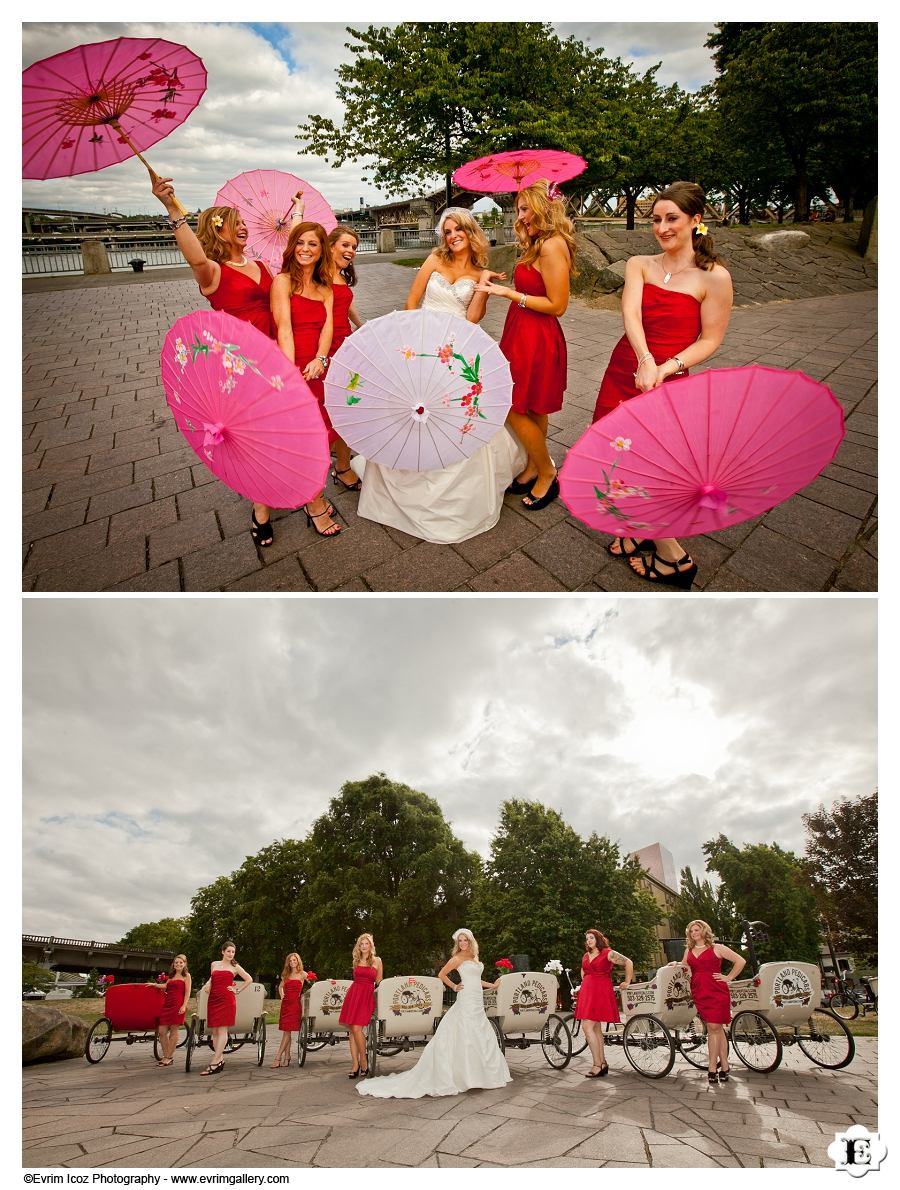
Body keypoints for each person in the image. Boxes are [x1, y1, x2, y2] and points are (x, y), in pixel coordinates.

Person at [594, 181, 733, 589]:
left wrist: (665, 367)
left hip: (670, 379)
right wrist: (643, 360)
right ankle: (635, 528)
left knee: (651, 466)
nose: (662, 227)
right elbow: (630, 314)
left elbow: (710, 340)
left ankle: (675, 557)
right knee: (615, 455)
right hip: (628, 367)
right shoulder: (639, 263)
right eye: (656, 219)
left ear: (696, 221)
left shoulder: (715, 278)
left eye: (672, 218)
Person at [354, 208, 525, 543]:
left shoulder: (478, 271)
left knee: (458, 416)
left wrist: (484, 285)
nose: (452, 236)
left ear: (470, 231)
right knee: (415, 411)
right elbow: (411, 303)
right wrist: (407, 346)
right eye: (447, 231)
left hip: (457, 348)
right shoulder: (434, 259)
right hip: (422, 342)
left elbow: (473, 318)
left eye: (457, 229)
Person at [150, 176, 280, 548]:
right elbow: (193, 254)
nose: (243, 227)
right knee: (255, 438)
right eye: (235, 222)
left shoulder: (261, 265)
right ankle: (261, 509)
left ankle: (275, 489)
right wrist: (173, 208)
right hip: (238, 366)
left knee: (274, 430)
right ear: (217, 230)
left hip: (272, 357)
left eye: (243, 222)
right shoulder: (213, 272)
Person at [476, 180, 576, 512]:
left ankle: (547, 470)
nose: (519, 216)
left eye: (523, 208)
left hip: (537, 334)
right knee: (531, 405)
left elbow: (558, 304)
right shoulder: (536, 242)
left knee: (510, 404)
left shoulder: (552, 245)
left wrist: (511, 295)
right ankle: (534, 466)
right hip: (521, 329)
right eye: (518, 209)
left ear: (541, 207)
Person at [357, 927, 511, 1099]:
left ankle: (481, 1074)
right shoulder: (457, 958)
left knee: (480, 1031)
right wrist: (453, 986)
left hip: (477, 999)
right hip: (466, 997)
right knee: (466, 1032)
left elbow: (476, 979)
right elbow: (442, 974)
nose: (462, 943)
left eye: (465, 940)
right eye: (459, 941)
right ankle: (465, 1076)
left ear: (470, 940)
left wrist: (492, 985)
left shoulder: (474, 957)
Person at [271, 222, 342, 538]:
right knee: (304, 439)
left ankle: (314, 491)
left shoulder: (326, 288)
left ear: (321, 250)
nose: (305, 249)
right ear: (292, 247)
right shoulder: (282, 282)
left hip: (317, 367)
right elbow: (283, 329)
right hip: (291, 368)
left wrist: (321, 359)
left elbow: (327, 329)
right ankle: (314, 504)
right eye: (300, 242)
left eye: (313, 244)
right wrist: (290, 377)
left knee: (321, 437)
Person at [677, 920, 745, 1084]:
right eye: (691, 931)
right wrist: (676, 964)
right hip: (699, 991)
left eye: (697, 930)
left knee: (713, 1027)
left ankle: (712, 1067)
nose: (694, 933)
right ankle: (726, 1066)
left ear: (704, 930)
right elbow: (685, 966)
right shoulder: (689, 950)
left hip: (717, 991)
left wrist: (728, 977)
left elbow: (740, 961)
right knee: (717, 1028)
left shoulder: (717, 948)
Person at [326, 225, 366, 493]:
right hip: (324, 346)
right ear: (330, 246)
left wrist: (363, 327)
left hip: (345, 343)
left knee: (346, 408)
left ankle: (342, 465)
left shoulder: (341, 275)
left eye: (353, 247)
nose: (350, 251)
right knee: (329, 409)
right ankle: (330, 462)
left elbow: (346, 304)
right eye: (345, 245)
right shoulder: (315, 275)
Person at [575, 928, 633, 1078]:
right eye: (587, 938)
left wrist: (627, 981)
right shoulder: (586, 955)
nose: (588, 941)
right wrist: (586, 983)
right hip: (588, 991)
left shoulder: (608, 953)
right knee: (596, 1029)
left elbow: (628, 962)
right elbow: (583, 972)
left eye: (591, 938)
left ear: (598, 939)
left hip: (600, 991)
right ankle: (603, 1063)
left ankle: (596, 1064)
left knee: (587, 1026)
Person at [199, 940, 253, 1076]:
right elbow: (212, 978)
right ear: (223, 952)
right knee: (215, 1031)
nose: (230, 954)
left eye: (233, 952)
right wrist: (207, 985)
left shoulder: (235, 967)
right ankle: (220, 1059)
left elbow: (249, 979)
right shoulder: (214, 964)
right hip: (213, 999)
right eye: (228, 951)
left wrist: (238, 990)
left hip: (227, 1000)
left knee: (222, 1030)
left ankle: (215, 1061)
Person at [338, 933, 383, 1078]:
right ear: (359, 946)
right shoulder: (356, 960)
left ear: (371, 945)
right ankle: (355, 1064)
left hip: (367, 995)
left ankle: (363, 1060)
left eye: (366, 944)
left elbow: (379, 981)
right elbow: (356, 978)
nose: (364, 946)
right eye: (361, 944)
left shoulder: (377, 961)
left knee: (357, 1028)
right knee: (352, 1029)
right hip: (354, 994)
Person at [154, 954, 191, 1067]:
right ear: (173, 964)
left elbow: (188, 992)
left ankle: (168, 1058)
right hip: (167, 1005)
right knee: (162, 1031)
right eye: (176, 962)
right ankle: (167, 1056)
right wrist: (154, 985)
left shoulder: (187, 976)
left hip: (178, 1005)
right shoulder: (171, 976)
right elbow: (166, 985)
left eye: (181, 962)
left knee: (174, 1031)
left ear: (184, 964)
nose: (178, 964)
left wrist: (184, 1005)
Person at [272, 952, 306, 1068]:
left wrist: (328, 981)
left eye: (294, 960)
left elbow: (315, 983)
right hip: (285, 1005)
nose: (292, 962)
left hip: (295, 1005)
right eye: (290, 961)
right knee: (287, 1031)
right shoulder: (285, 975)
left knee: (287, 1032)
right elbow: (281, 987)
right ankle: (287, 1057)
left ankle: (278, 1057)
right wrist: (282, 996)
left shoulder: (302, 974)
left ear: (298, 961)